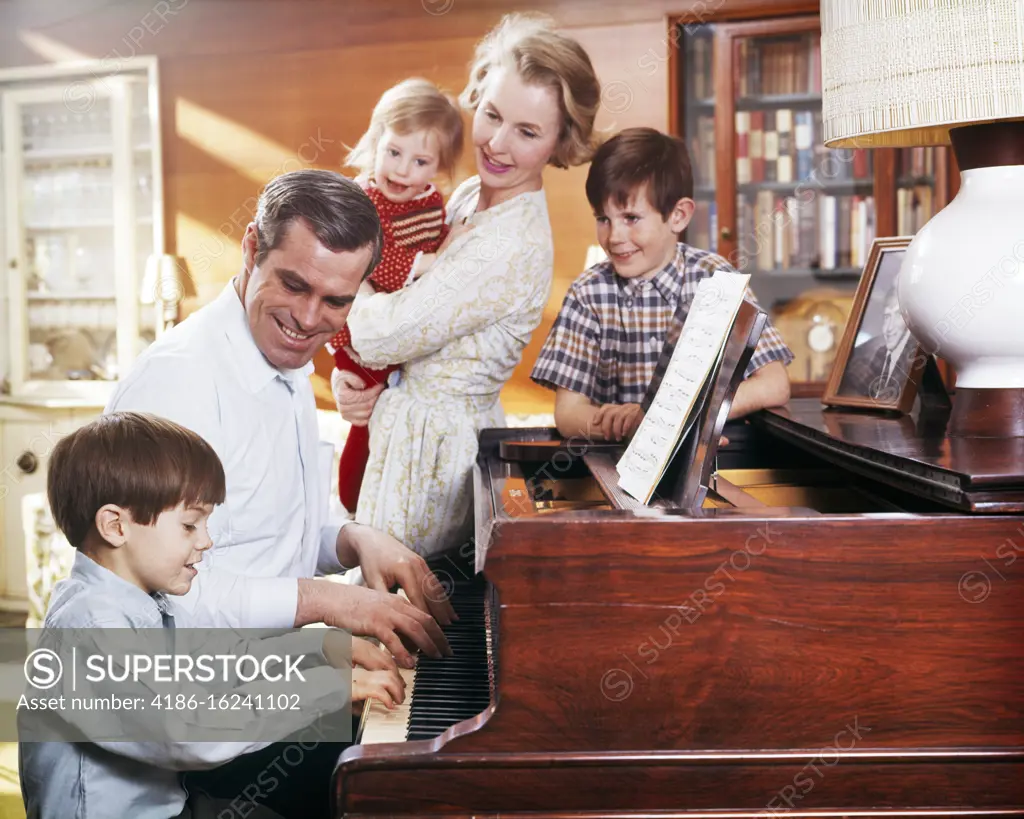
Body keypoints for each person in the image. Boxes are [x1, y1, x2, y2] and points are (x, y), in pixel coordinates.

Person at [105, 170, 452, 818]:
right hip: (178, 754)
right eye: (294, 284)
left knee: (432, 768)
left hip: (257, 701)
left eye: (337, 301)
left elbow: (273, 532)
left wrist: (353, 538)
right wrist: (330, 604)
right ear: (250, 249)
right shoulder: (177, 387)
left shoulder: (287, 361)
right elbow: (165, 604)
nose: (309, 319)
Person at [19, 412, 405, 819]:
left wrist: (318, 648)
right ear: (116, 526)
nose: (206, 541)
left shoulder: (143, 602)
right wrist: (328, 689)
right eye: (190, 525)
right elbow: (189, 732)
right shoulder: (91, 629)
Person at [333, 14, 601, 558]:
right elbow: (392, 326)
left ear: (559, 141)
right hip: (406, 428)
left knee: (405, 613)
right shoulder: (468, 195)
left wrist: (348, 288)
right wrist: (357, 381)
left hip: (435, 454)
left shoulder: (509, 243)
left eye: (526, 132)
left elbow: (382, 333)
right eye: (492, 115)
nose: (497, 144)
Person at [531, 127, 794, 442]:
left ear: (678, 216)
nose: (614, 237)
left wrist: (685, 415)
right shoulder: (587, 293)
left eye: (630, 218)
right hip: (614, 468)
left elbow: (775, 383)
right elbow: (569, 413)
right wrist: (624, 425)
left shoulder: (716, 279)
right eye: (603, 218)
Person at [328, 78, 465, 512]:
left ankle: (387, 499)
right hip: (359, 336)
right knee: (366, 422)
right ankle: (351, 501)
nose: (403, 170)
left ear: (438, 165)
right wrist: (432, 261)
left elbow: (433, 236)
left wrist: (447, 242)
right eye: (393, 152)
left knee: (393, 422)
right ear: (376, 143)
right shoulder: (364, 198)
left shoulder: (431, 200)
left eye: (421, 160)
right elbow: (369, 260)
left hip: (402, 336)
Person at [839, 283, 918, 402]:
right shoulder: (874, 357)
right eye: (887, 317)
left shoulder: (913, 353)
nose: (889, 328)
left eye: (898, 315)